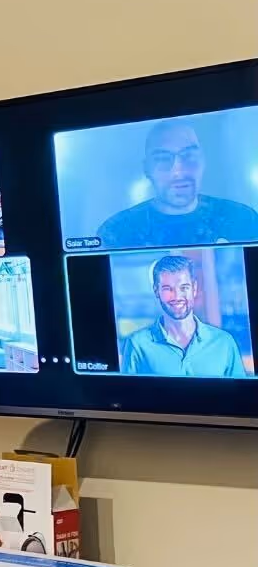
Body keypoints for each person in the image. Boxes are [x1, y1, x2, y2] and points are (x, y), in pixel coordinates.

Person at [96, 120, 258, 249]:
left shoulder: (242, 219)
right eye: (163, 158)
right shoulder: (118, 231)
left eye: (189, 155)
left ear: (204, 161)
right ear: (147, 169)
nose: (178, 171)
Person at [119, 254, 248, 377]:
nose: (177, 296)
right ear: (156, 291)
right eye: (168, 289)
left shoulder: (224, 342)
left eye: (184, 287)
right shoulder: (137, 344)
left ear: (194, 289)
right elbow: (127, 396)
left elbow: (241, 397)